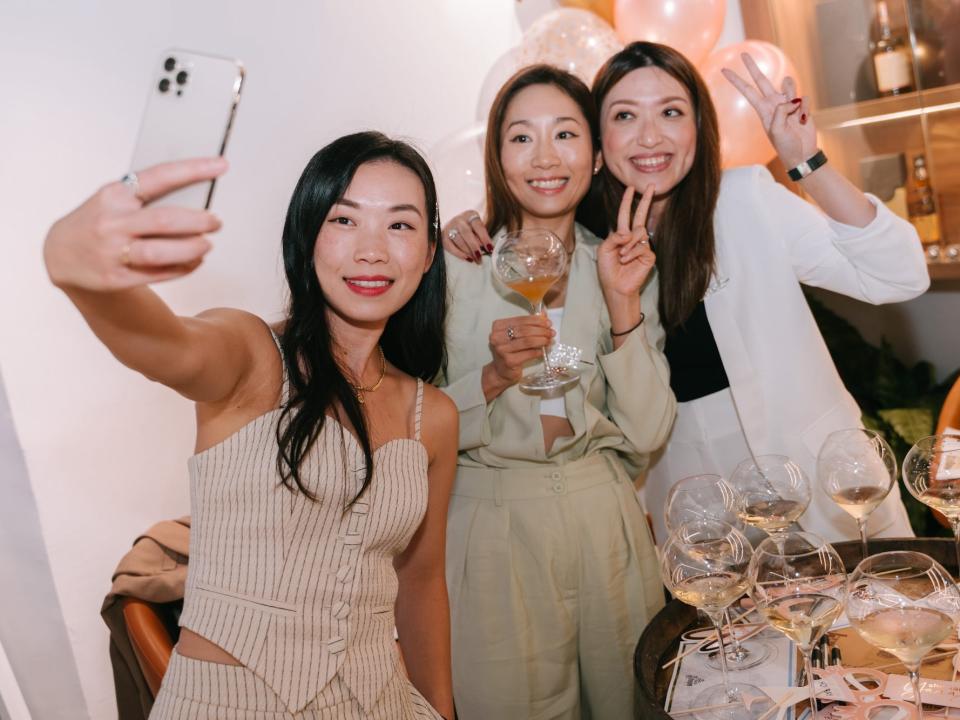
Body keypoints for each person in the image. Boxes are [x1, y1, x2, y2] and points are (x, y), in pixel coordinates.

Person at [446, 44, 928, 546]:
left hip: (813, 475)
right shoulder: (588, 244)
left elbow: (898, 276)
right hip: (689, 493)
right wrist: (473, 223)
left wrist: (806, 161)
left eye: (671, 112)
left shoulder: (745, 200)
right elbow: (570, 364)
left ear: (699, 125)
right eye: (625, 115)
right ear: (597, 143)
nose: (649, 136)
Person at [44, 132, 456, 719]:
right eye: (344, 220)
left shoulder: (432, 415)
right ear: (306, 235)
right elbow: (166, 344)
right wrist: (80, 270)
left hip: (381, 701)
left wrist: (442, 709)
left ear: (430, 251)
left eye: (400, 225)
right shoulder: (251, 355)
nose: (372, 251)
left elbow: (421, 581)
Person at [439, 64, 676, 719]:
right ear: (497, 156)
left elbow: (649, 431)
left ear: (597, 156)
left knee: (633, 704)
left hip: (605, 525)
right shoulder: (456, 271)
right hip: (491, 528)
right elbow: (409, 423)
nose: (545, 157)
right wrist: (491, 379)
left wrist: (623, 302)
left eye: (566, 134)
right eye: (522, 138)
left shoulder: (621, 263)